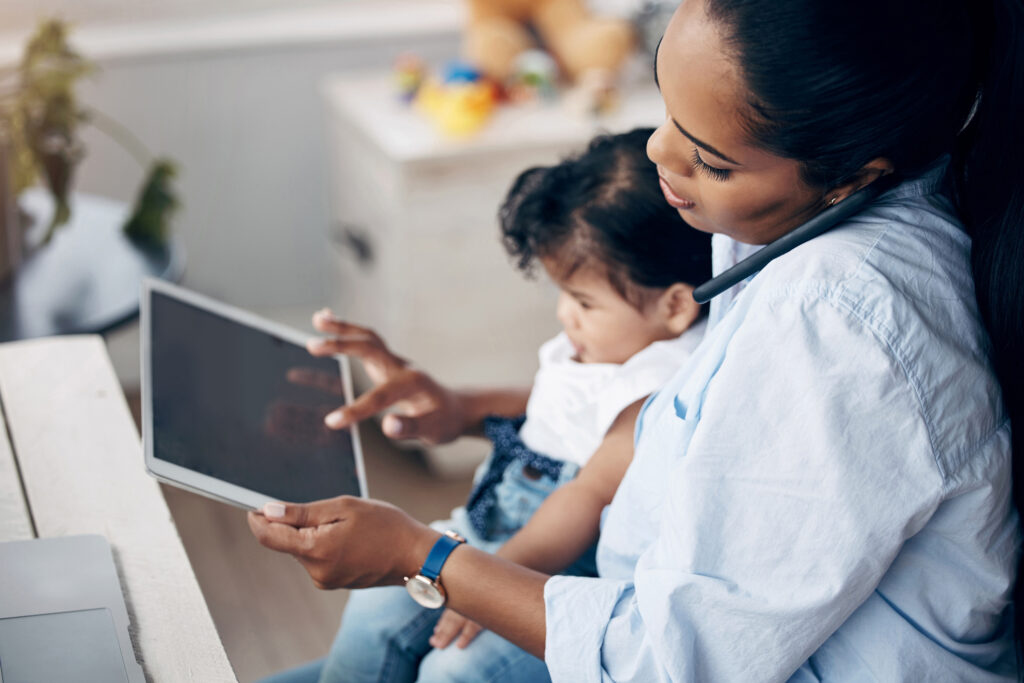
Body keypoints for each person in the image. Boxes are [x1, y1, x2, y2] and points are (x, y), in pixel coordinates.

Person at [249, 0, 1024, 680]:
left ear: (851, 178)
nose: (657, 151)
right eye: (668, 106)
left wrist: (422, 556)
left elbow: (670, 661)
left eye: (710, 159)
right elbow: (678, 412)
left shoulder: (836, 326)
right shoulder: (799, 214)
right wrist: (468, 408)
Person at [266, 128, 713, 683]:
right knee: (373, 611)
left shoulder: (659, 383)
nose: (563, 315)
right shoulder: (613, 337)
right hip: (490, 527)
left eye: (582, 300)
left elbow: (586, 495)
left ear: (673, 305)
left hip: (551, 563)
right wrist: (458, 406)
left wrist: (481, 579)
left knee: (455, 670)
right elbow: (556, 409)